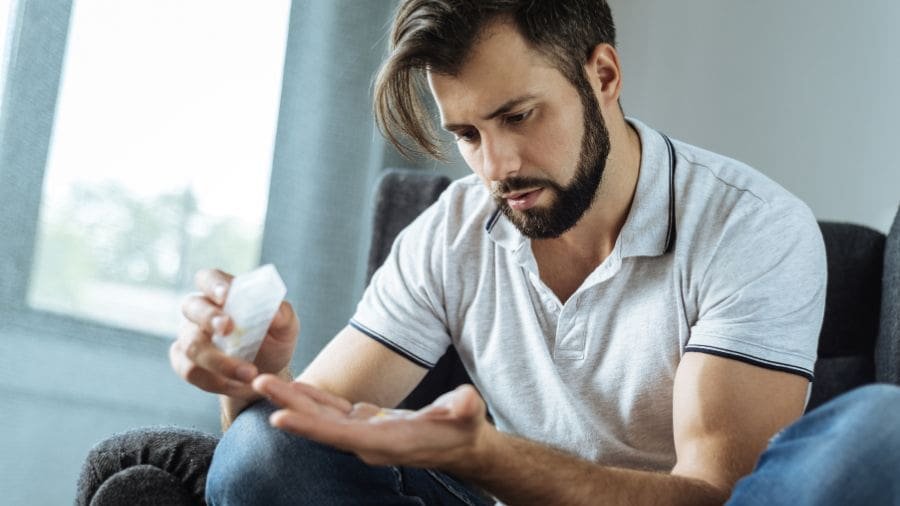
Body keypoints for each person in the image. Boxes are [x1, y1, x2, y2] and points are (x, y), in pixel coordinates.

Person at [171, 1, 900, 504]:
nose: (497, 166)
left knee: (881, 430)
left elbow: (715, 495)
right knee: (262, 446)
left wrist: (492, 459)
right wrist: (251, 375)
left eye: (518, 116)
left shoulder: (751, 228)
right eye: (467, 135)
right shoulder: (451, 232)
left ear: (603, 76)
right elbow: (283, 455)